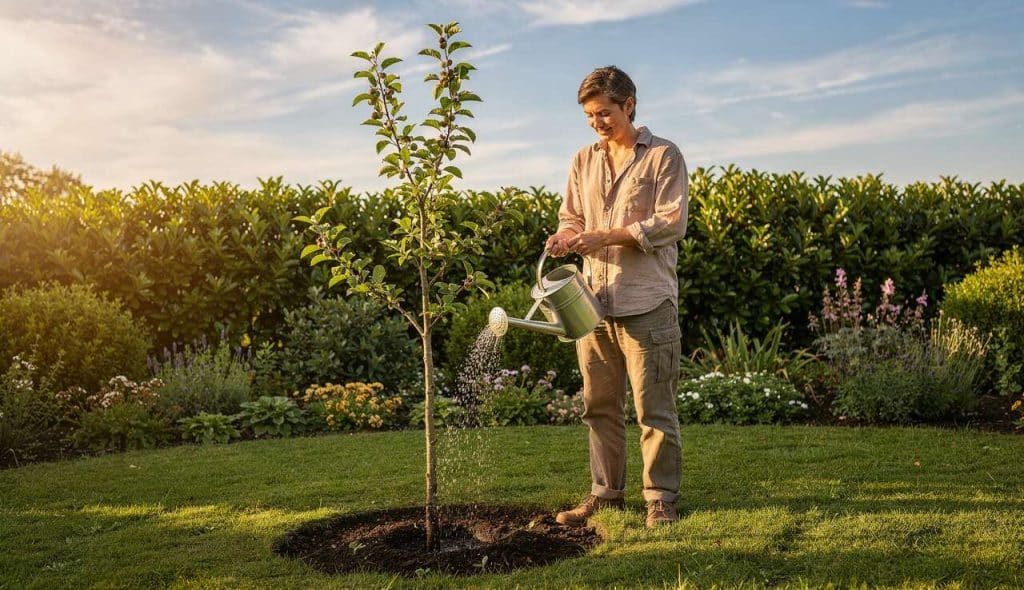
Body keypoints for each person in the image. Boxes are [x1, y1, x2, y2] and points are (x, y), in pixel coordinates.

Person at [547, 66, 688, 528]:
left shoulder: (663, 156)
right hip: (593, 306)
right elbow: (572, 215)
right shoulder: (582, 160)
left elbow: (670, 222)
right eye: (589, 115)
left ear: (629, 105)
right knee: (599, 407)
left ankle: (660, 498)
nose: (597, 123)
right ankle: (606, 495)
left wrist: (605, 236)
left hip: (647, 303)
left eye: (604, 113)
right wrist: (566, 237)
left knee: (654, 410)